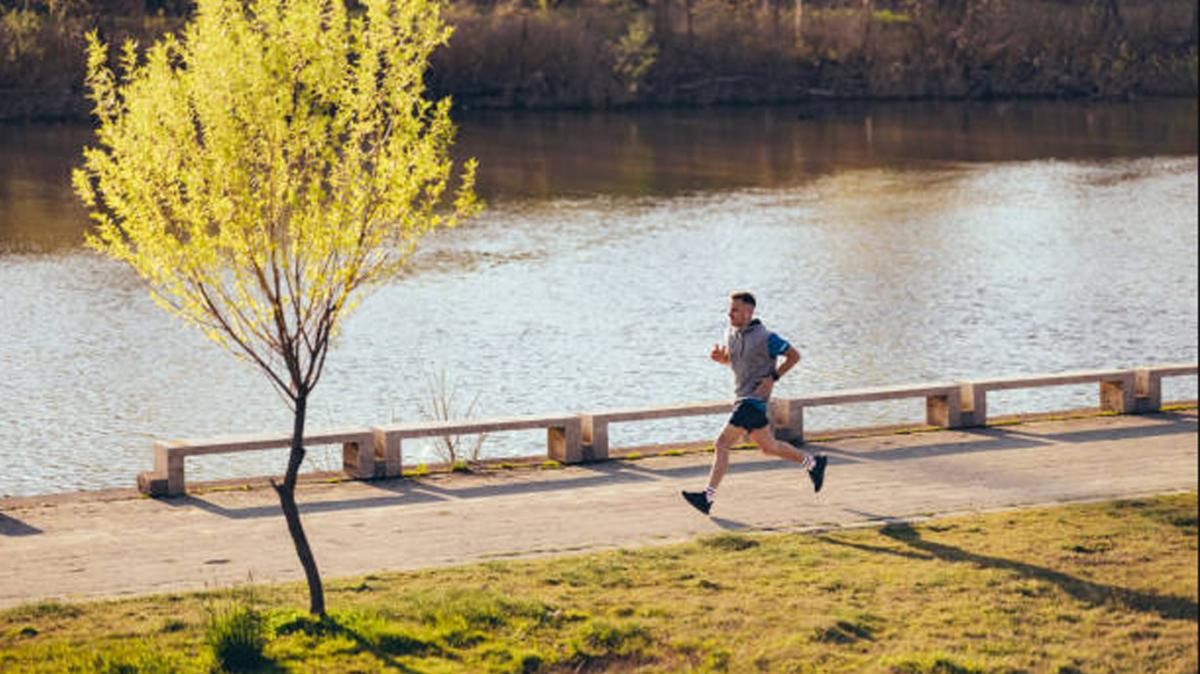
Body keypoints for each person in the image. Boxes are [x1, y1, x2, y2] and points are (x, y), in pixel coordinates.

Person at [682, 291, 827, 515]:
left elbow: (794, 356)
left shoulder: (766, 337)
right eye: (730, 309)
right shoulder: (731, 334)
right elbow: (741, 364)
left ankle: (707, 497)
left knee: (721, 444)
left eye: (735, 310)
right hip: (743, 399)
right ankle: (813, 464)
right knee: (769, 448)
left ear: (749, 312)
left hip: (751, 402)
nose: (729, 313)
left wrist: (773, 377)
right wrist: (724, 360)